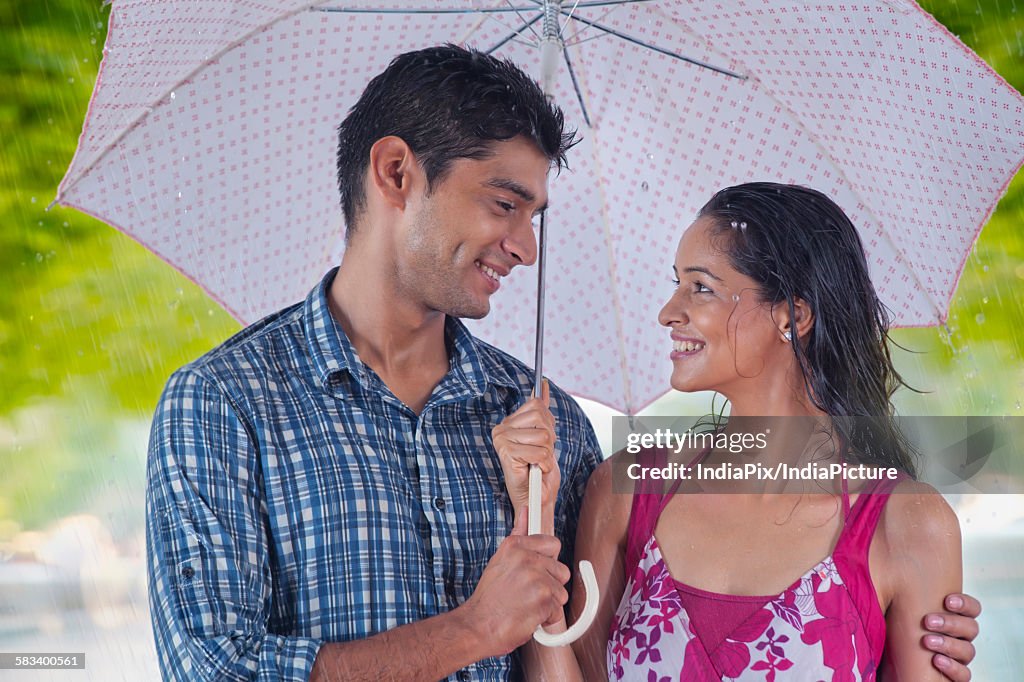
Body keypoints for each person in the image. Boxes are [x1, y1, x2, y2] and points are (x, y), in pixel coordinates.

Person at [145, 44, 979, 680]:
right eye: (505, 205)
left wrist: (894, 616)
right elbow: (213, 666)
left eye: (535, 212)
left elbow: (599, 646)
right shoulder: (223, 407)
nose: (525, 247)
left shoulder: (550, 425)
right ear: (397, 172)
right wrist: (473, 631)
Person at [503, 183, 981, 681]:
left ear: (791, 315)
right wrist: (534, 523)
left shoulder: (909, 524)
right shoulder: (626, 492)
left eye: (701, 287)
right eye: (677, 284)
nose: (668, 312)